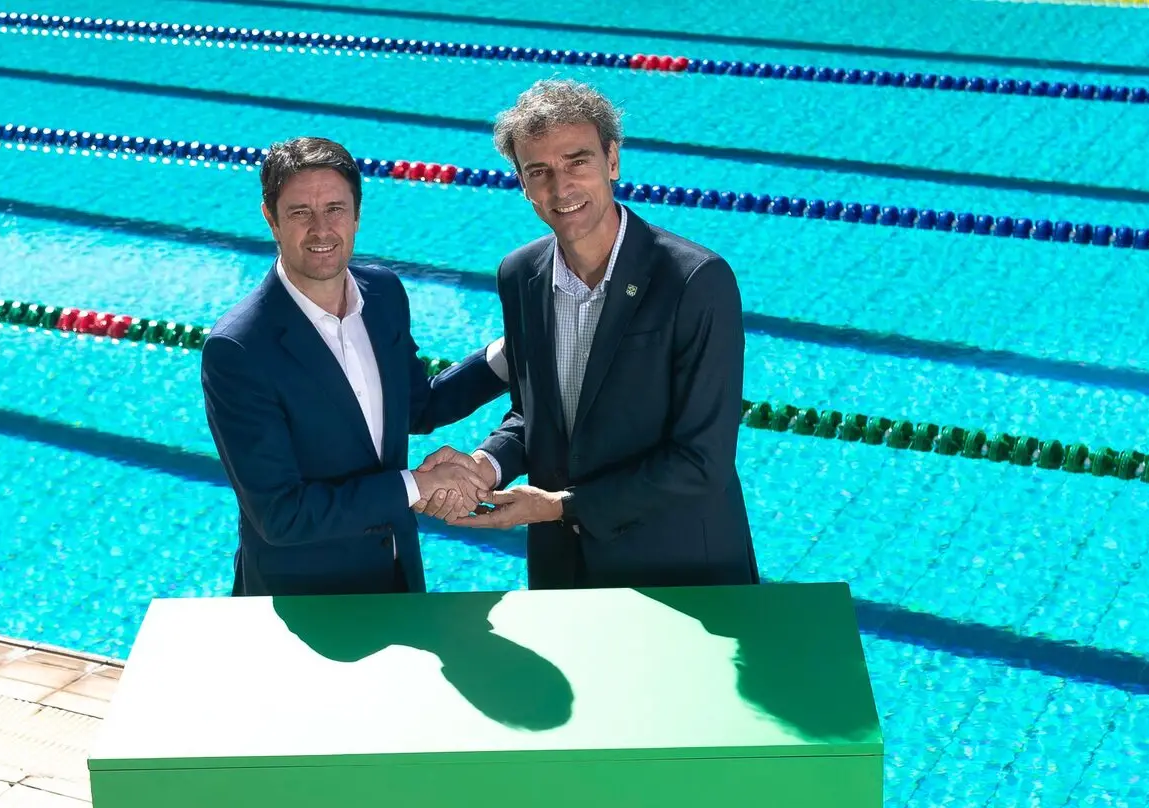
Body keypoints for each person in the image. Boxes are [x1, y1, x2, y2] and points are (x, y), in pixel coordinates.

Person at [424, 80, 759, 590]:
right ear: (522, 184)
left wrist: (562, 506)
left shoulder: (694, 280)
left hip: (681, 566)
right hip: (565, 567)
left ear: (612, 161)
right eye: (539, 171)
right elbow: (535, 414)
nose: (561, 189)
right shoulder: (521, 274)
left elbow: (701, 460)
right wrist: (484, 466)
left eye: (577, 162)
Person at [202, 136, 506, 596]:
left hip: (398, 574)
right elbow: (281, 514)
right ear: (271, 218)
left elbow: (417, 406)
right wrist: (416, 486)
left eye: (335, 209)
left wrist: (511, 356)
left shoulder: (383, 294)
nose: (321, 229)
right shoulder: (240, 348)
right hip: (306, 598)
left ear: (357, 215)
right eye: (300, 212)